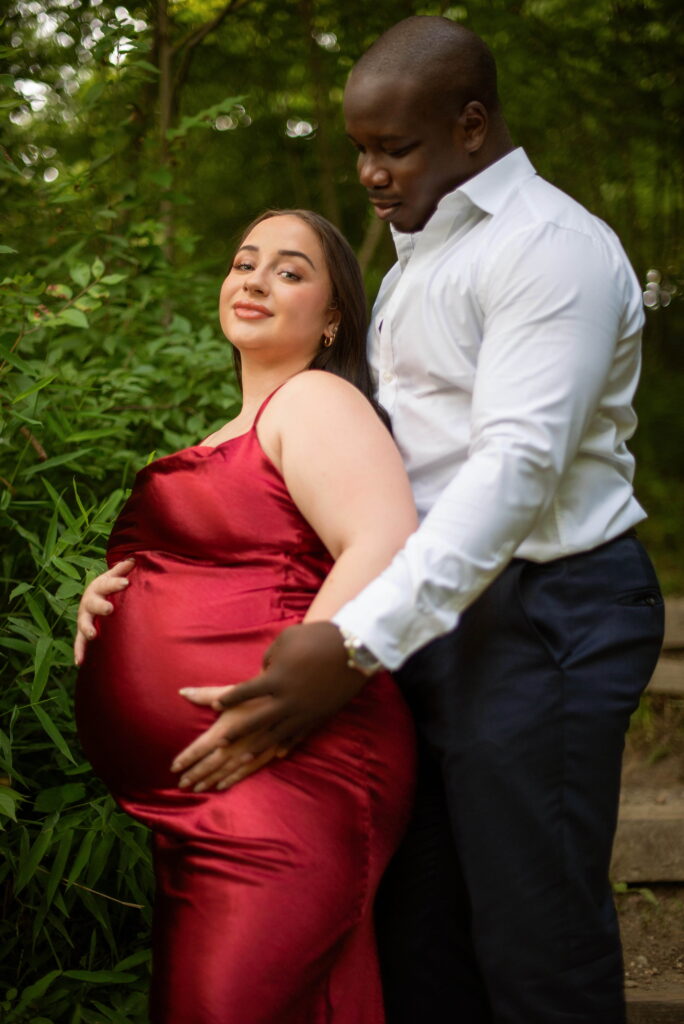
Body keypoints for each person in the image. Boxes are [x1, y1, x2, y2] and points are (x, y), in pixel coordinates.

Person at [129, 17, 663, 1024]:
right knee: (423, 938)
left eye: (396, 146)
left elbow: (516, 471)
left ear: (472, 125)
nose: (372, 172)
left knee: (533, 941)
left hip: (542, 614)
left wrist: (355, 641)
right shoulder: (423, 254)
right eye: (361, 149)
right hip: (436, 618)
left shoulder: (551, 250)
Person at [74, 209, 418, 1024]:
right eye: (244, 262)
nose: (256, 278)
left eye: (291, 271)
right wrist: (109, 598)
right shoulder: (240, 426)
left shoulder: (317, 399)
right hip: (209, 791)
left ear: (333, 318)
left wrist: (285, 691)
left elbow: (386, 538)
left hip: (291, 761)